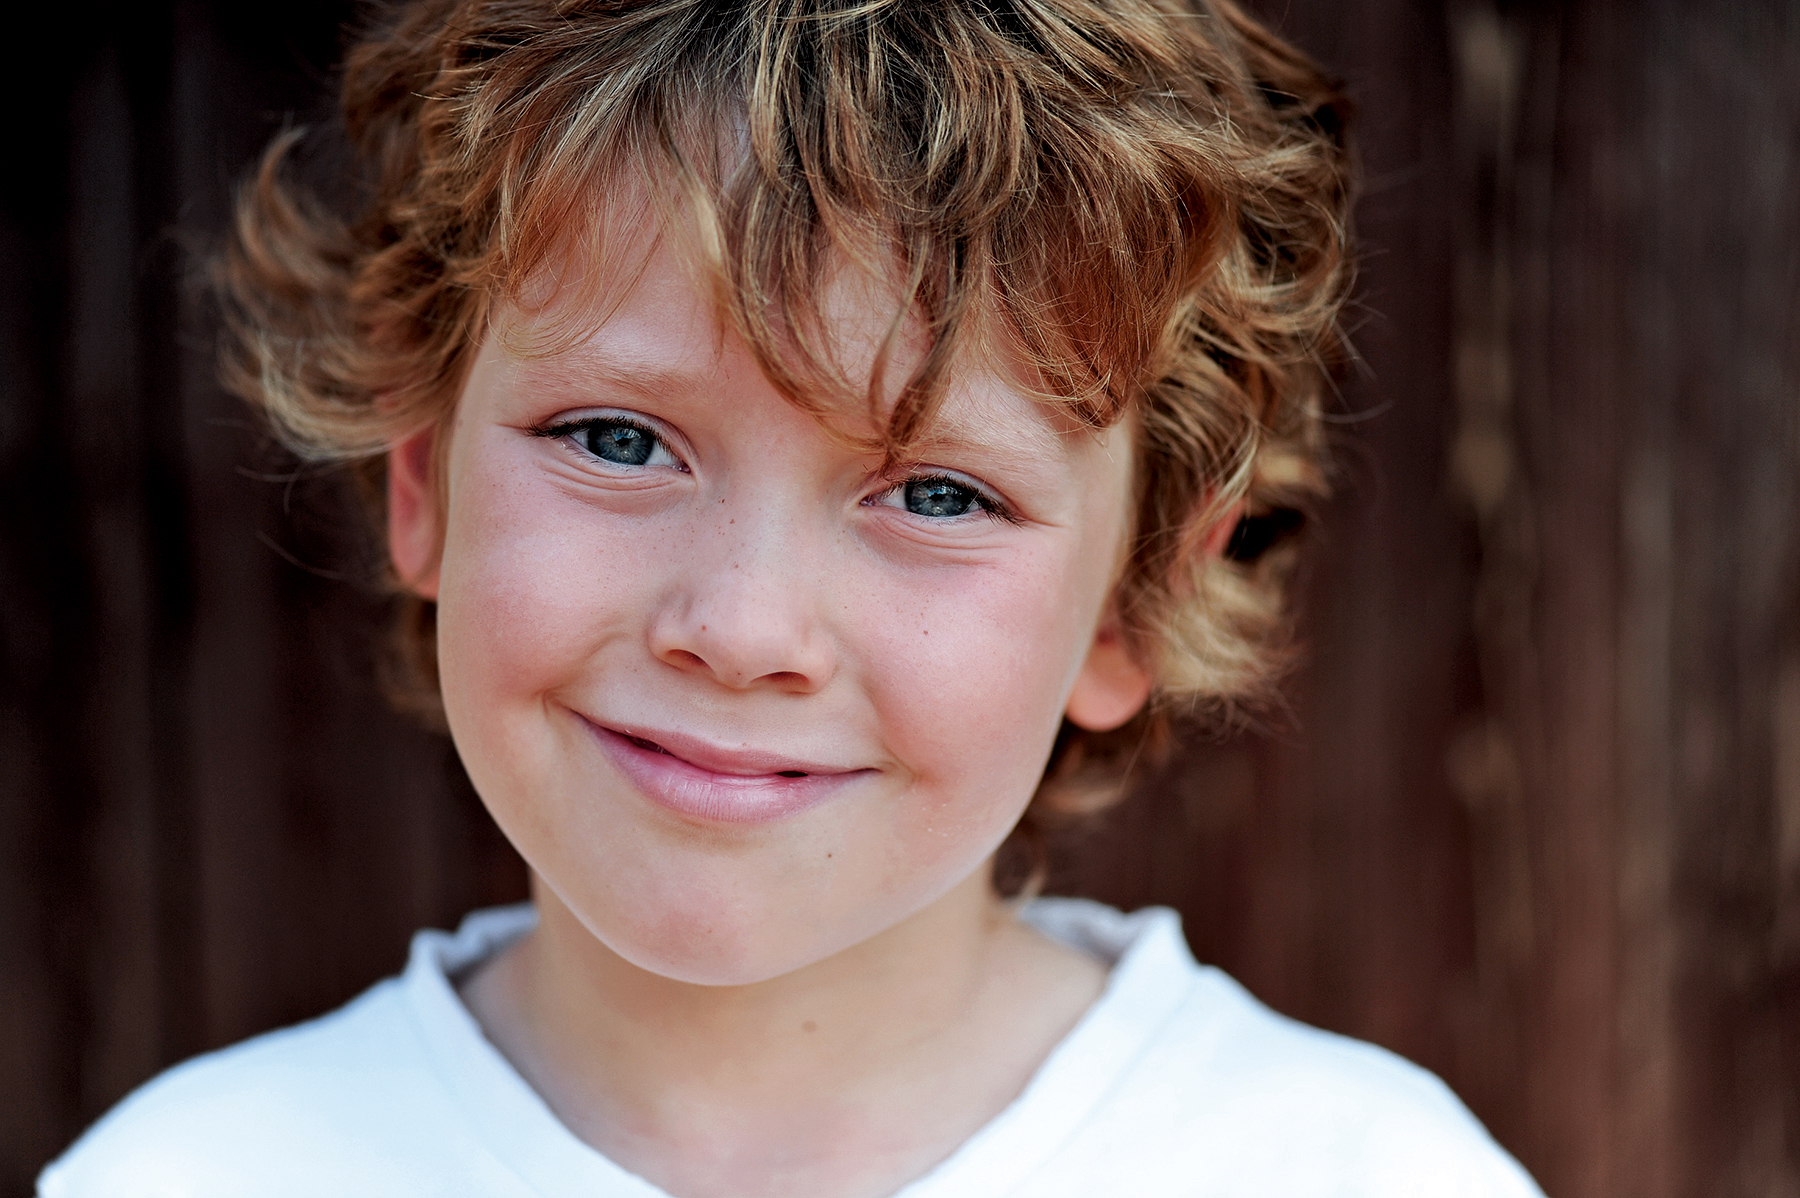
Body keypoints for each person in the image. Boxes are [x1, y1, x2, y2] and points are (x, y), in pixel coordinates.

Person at [40, 1, 1544, 1194]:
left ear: (1134, 602)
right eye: (618, 440)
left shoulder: (1360, 1173)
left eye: (939, 492)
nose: (742, 626)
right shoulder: (185, 1176)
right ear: (419, 477)